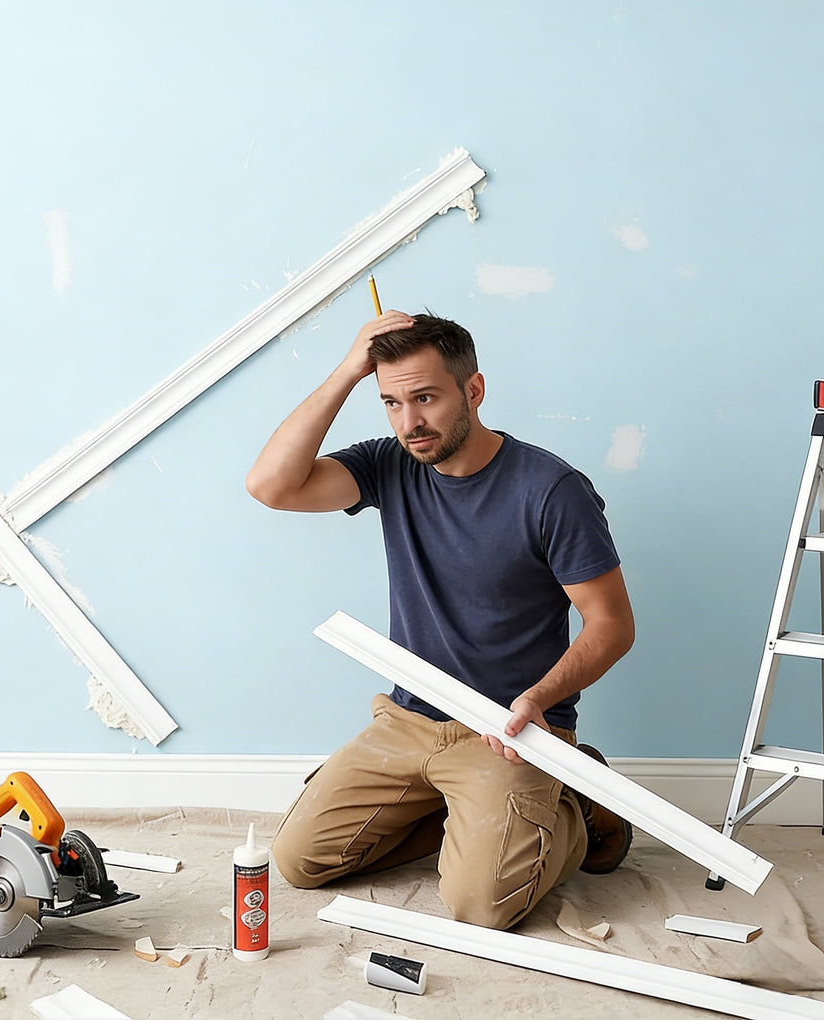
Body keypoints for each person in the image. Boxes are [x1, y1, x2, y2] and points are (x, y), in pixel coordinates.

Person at [245, 310, 635, 930]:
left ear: (473, 391)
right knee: (299, 862)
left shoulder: (552, 489)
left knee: (481, 907)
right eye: (391, 403)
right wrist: (349, 370)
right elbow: (271, 486)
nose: (410, 423)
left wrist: (539, 699)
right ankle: (468, 818)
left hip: (509, 731)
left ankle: (573, 801)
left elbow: (612, 624)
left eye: (425, 398)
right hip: (409, 720)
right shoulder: (389, 465)